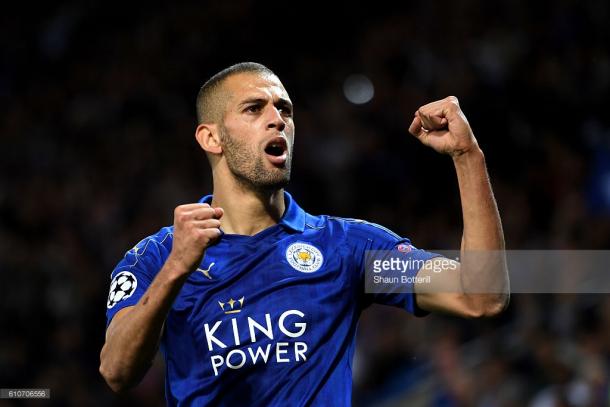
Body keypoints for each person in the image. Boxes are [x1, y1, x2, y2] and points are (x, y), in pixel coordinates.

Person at [99, 62, 509, 406]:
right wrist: (175, 270)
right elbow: (116, 371)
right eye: (254, 108)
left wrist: (467, 157)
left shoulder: (347, 251)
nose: (277, 119)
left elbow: (481, 296)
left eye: (285, 110)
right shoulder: (157, 256)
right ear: (211, 138)